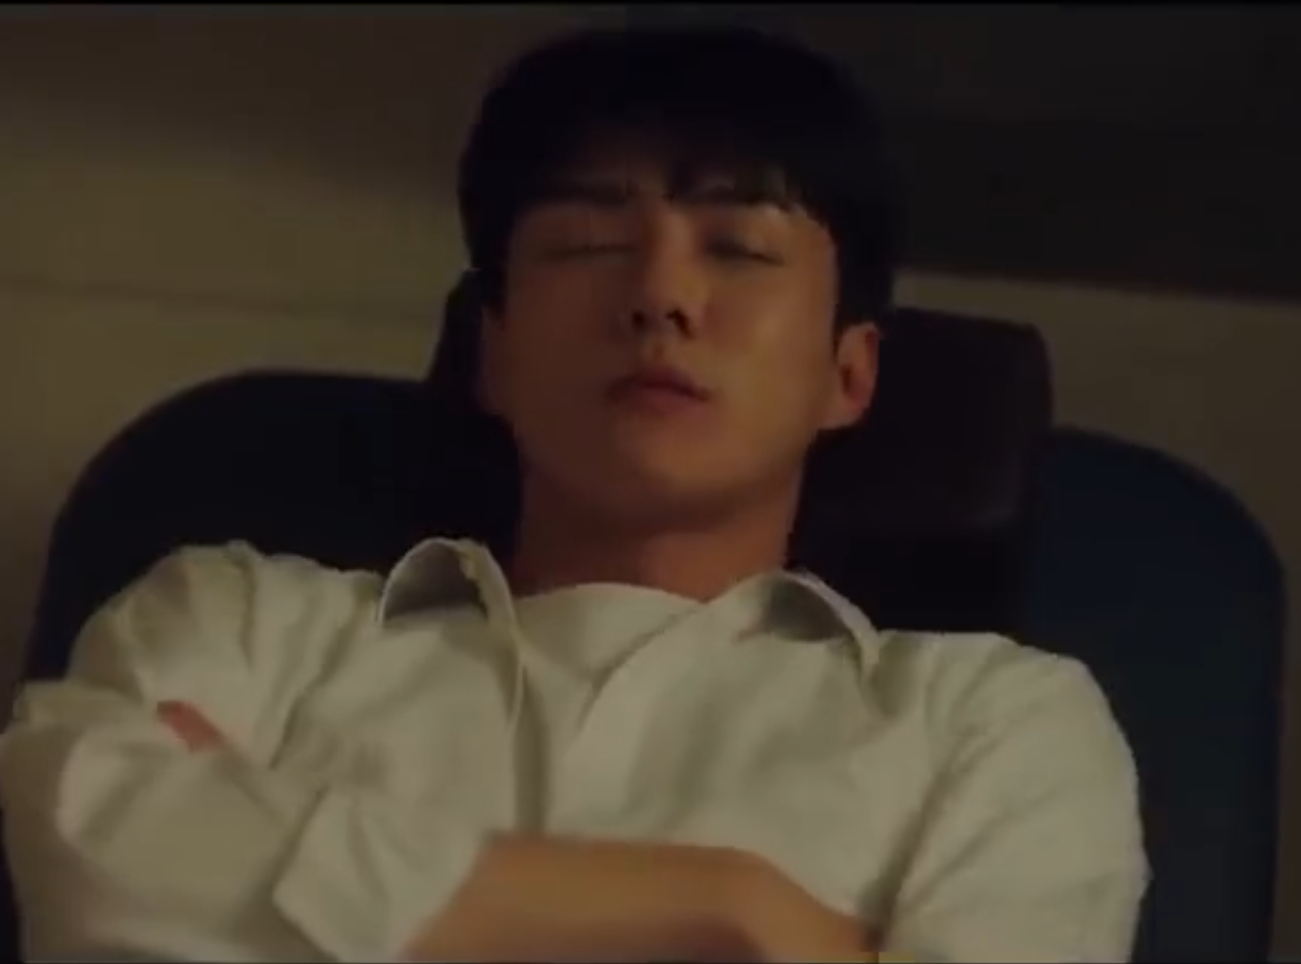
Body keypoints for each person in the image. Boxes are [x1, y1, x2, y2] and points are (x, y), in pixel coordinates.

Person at [0, 24, 1147, 964]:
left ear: (847, 374)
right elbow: (94, 856)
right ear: (491, 349)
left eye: (737, 248)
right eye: (588, 242)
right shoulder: (241, 622)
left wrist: (292, 878)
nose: (659, 295)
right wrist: (731, 907)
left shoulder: (994, 723)